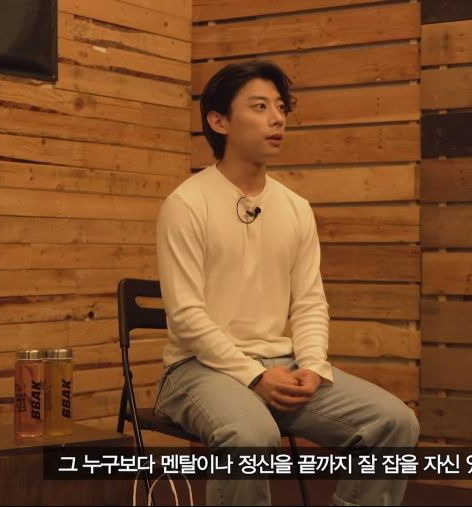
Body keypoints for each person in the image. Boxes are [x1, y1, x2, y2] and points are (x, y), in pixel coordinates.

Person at [154, 60, 419, 506]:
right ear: (219, 121)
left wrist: (312, 367)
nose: (277, 118)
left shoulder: (296, 208)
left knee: (394, 423)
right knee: (250, 436)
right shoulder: (187, 204)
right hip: (196, 368)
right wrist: (255, 376)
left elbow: (310, 302)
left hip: (282, 363)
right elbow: (186, 317)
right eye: (260, 107)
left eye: (280, 107)